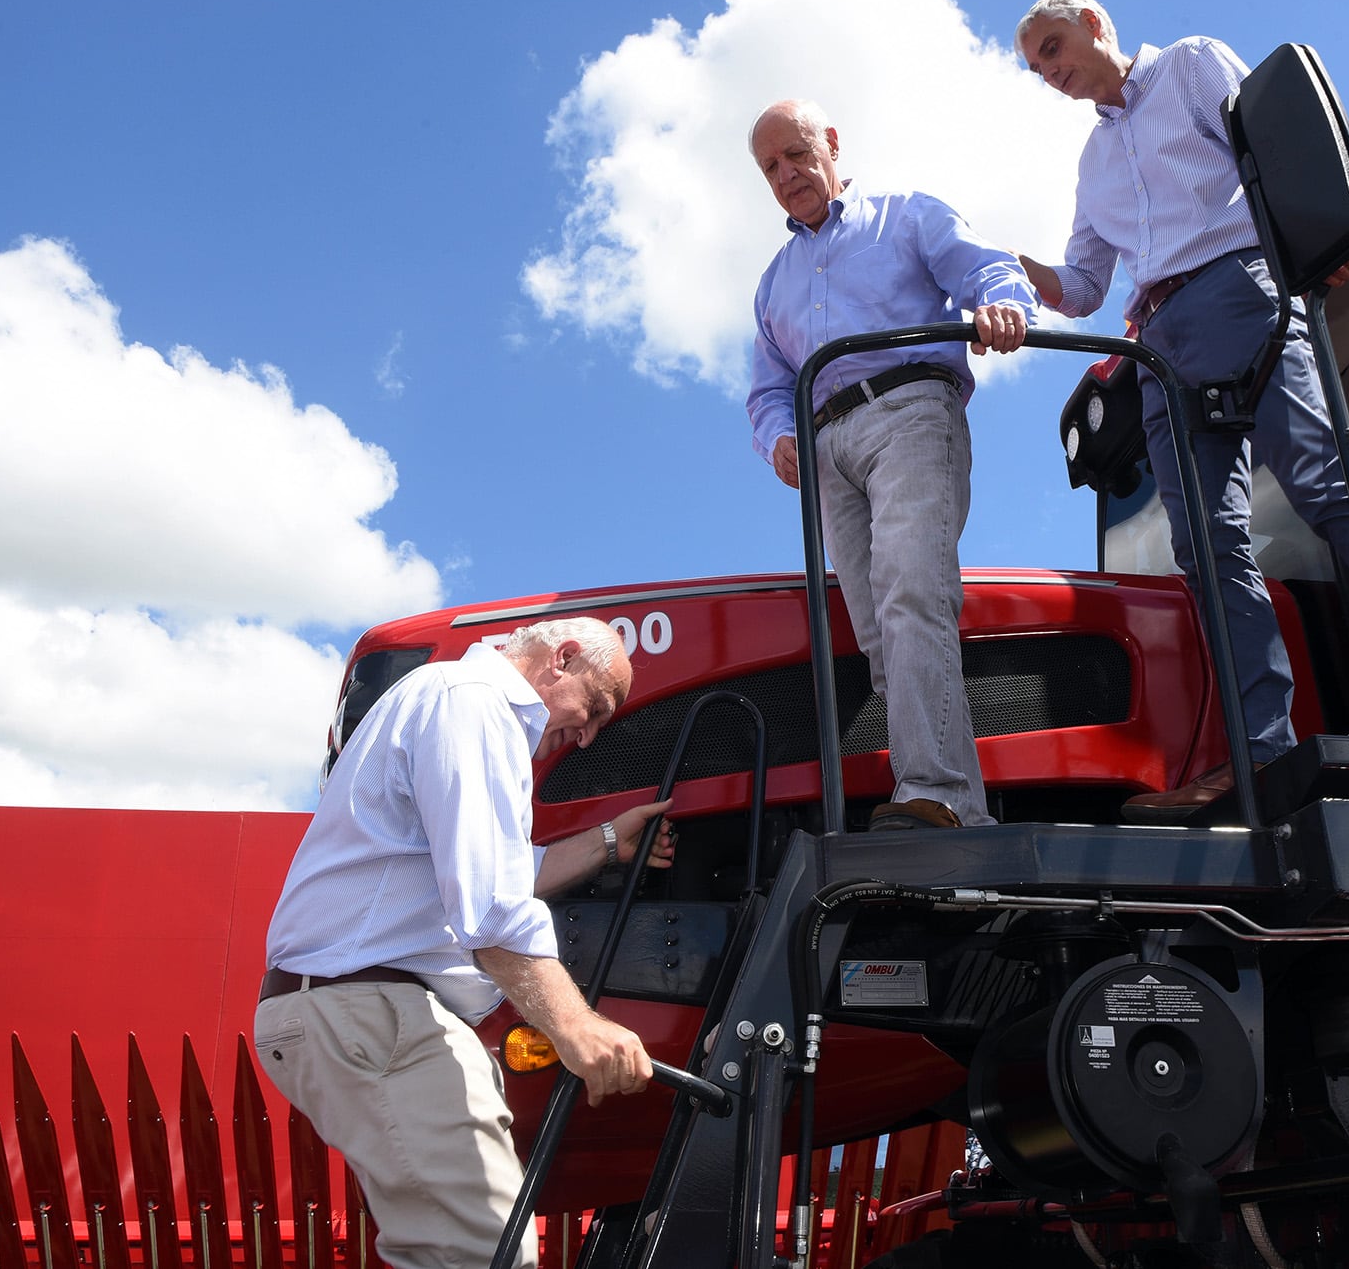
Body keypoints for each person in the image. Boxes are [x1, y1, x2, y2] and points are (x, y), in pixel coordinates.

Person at [1012, 0, 1349, 821]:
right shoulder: (1091, 166)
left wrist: (1324, 235)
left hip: (1238, 288)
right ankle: (1261, 754)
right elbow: (1085, 284)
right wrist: (997, 266)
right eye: (1037, 67)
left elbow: (1272, 153)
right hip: (1158, 338)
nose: (1050, 73)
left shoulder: (1193, 64)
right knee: (1205, 546)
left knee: (1325, 485)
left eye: (1053, 49)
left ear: (1095, 22)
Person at [254, 617, 677, 1269]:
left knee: (471, 1249)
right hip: (374, 1010)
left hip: (352, 1005)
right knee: (483, 1254)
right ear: (561, 659)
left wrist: (605, 842)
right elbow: (491, 907)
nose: (588, 734)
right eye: (594, 707)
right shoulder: (472, 702)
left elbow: (498, 873)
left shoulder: (450, 699)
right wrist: (576, 1023)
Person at [746, 98, 1036, 831]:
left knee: (914, 596)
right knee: (878, 631)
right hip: (826, 452)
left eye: (797, 154)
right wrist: (779, 434)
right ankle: (956, 810)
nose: (787, 175)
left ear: (833, 145)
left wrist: (1000, 304)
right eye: (771, 167)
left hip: (908, 411)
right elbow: (769, 386)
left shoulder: (907, 214)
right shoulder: (773, 282)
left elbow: (989, 269)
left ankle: (934, 792)